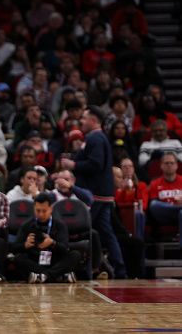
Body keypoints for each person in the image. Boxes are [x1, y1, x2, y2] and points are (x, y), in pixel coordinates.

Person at [60, 106, 126, 278]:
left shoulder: (95, 138)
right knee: (105, 233)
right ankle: (118, 270)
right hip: (102, 193)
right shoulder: (97, 137)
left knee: (86, 232)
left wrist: (73, 165)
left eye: (84, 118)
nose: (81, 121)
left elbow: (95, 164)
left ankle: (91, 270)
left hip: (95, 194)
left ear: (94, 121)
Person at [13, 192, 81, 283]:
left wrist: (53, 243)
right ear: (34, 209)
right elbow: (14, 248)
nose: (41, 214)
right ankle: (58, 276)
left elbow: (65, 248)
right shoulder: (27, 225)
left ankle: (42, 277)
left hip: (54, 259)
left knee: (75, 255)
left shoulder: (59, 225)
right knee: (18, 258)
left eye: (44, 211)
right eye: (38, 210)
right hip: (35, 260)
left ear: (51, 209)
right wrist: (25, 245)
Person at [148, 152, 182, 249]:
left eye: (172, 163)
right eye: (166, 163)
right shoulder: (155, 183)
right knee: (154, 204)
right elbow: (153, 206)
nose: (169, 165)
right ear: (161, 166)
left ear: (176, 165)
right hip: (164, 215)